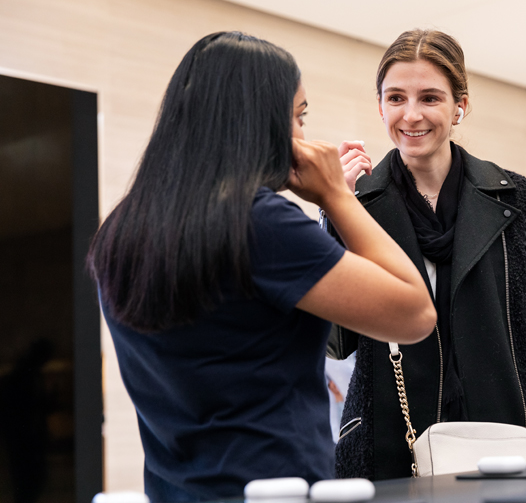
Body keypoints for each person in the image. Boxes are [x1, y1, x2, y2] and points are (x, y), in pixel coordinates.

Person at [86, 31, 436, 502]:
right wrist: (336, 196)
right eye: (299, 116)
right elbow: (415, 314)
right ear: (260, 122)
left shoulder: (120, 230)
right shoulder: (260, 223)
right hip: (277, 491)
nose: (303, 136)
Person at [326, 29, 526, 481]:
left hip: (500, 433)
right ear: (380, 105)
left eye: (430, 98)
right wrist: (335, 212)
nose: (411, 114)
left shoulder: (510, 195)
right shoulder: (357, 201)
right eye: (396, 98)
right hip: (388, 443)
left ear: (460, 105)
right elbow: (336, 340)